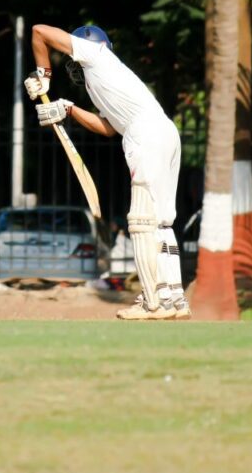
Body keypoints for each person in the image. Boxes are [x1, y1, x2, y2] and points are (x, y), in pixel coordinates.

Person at [24, 23, 187, 320]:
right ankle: (174, 298)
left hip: (144, 135)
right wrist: (68, 110)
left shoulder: (95, 53)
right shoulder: (103, 79)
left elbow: (39, 31)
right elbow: (109, 128)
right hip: (164, 133)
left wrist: (43, 76)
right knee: (162, 221)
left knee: (141, 220)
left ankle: (153, 302)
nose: (73, 64)